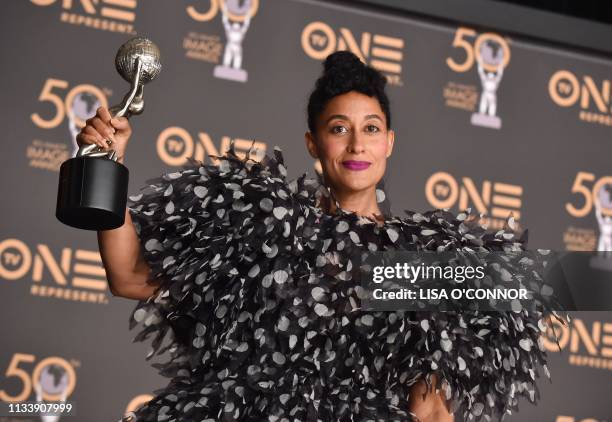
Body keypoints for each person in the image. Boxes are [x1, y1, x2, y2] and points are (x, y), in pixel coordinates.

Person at [77, 51, 560, 422]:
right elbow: (129, 276)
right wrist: (106, 164)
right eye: (338, 128)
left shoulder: (417, 267)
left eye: (371, 128)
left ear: (389, 142)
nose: (356, 145)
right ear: (313, 141)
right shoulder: (263, 227)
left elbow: (430, 410)